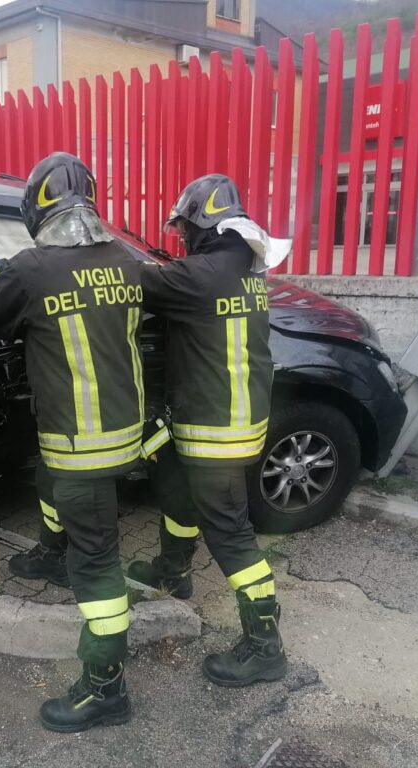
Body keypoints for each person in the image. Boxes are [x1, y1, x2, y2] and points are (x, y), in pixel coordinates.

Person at [0, 152, 145, 733]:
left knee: (98, 567)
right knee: (54, 495)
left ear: (36, 207)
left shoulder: (29, 269)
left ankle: (105, 688)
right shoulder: (124, 259)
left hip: (79, 448)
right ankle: (52, 556)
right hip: (121, 440)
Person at [130, 174, 289, 687]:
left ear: (202, 221)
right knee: (177, 490)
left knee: (232, 536)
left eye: (183, 230)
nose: (179, 240)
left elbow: (130, 280)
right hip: (237, 418)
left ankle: (265, 645)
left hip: (215, 428)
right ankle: (173, 571)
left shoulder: (197, 275)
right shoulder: (245, 269)